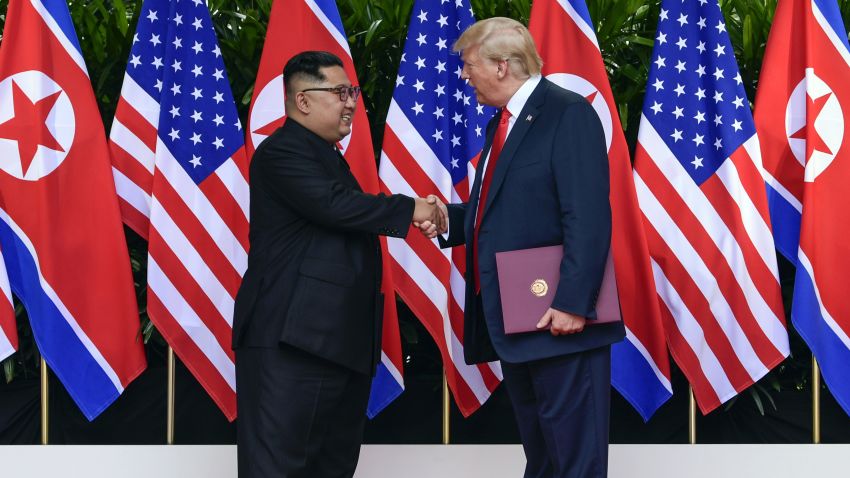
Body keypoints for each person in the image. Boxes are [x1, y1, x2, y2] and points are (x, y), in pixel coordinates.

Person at [420, 18, 625, 478]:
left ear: (501, 66)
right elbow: (506, 209)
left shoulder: (566, 112)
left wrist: (574, 303)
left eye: (469, 65)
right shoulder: (503, 123)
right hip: (520, 318)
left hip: (559, 316)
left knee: (575, 460)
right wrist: (448, 219)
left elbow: (587, 215)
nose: (464, 76)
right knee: (544, 458)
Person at [232, 50, 445, 478]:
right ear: (303, 100)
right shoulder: (282, 152)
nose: (351, 101)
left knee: (330, 466)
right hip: (291, 342)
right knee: (281, 466)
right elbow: (334, 206)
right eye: (339, 92)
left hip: (330, 341)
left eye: (352, 92)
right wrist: (413, 209)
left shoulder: (325, 155)